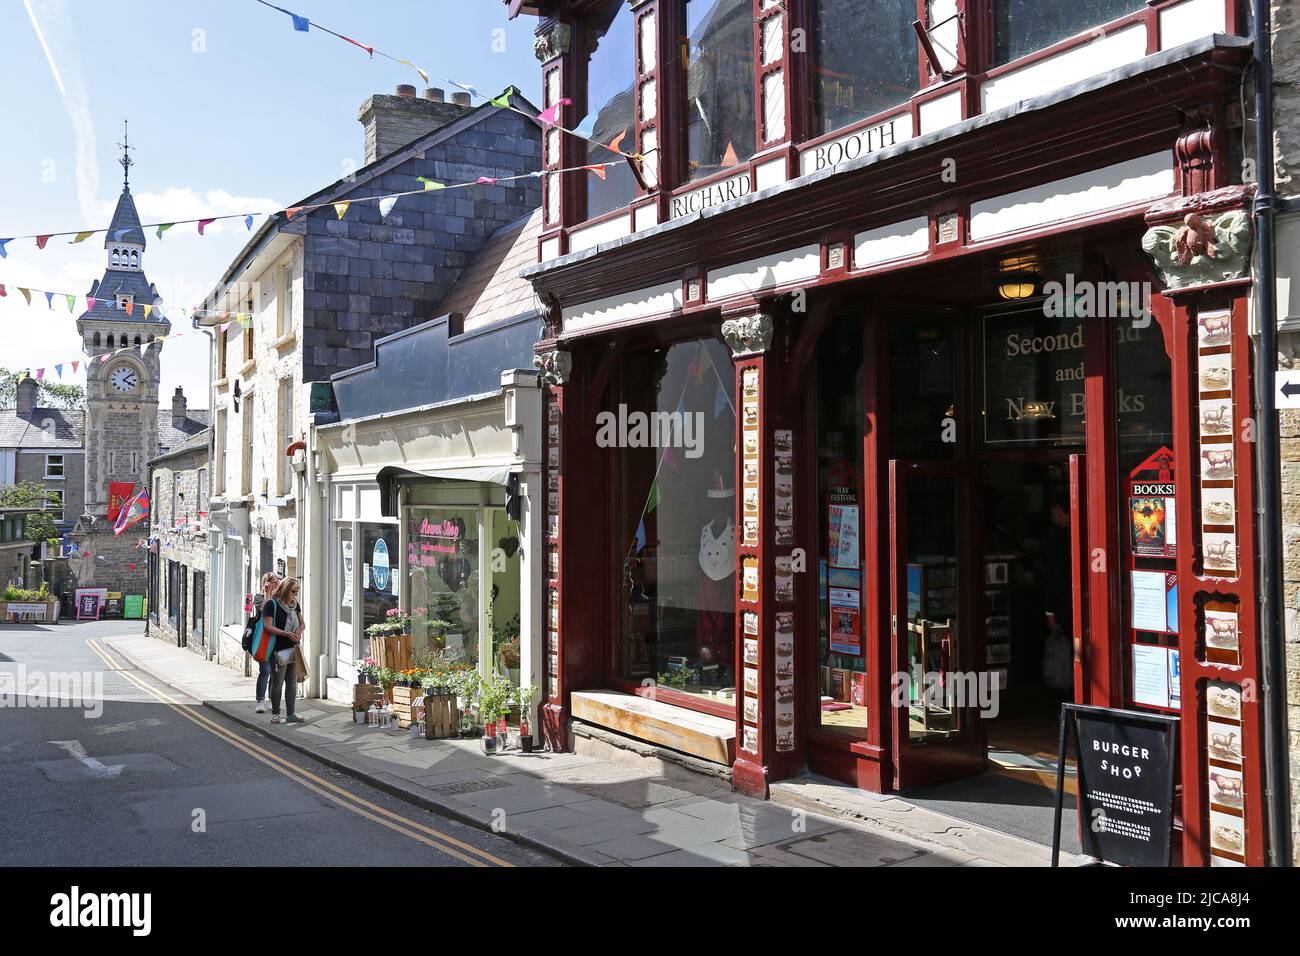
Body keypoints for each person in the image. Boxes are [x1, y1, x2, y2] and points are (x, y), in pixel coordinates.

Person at [262, 577, 305, 724]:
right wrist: (285, 633)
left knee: (292, 682)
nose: (295, 595)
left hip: (293, 647)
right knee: (278, 682)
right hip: (278, 649)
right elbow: (267, 626)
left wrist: (299, 630)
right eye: (293, 591)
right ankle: (275, 714)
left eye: (297, 592)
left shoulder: (295, 605)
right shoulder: (272, 605)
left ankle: (291, 713)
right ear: (286, 590)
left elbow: (302, 623)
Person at [253, 572, 279, 713]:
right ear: (266, 583)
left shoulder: (279, 599)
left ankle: (272, 700)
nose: (276, 585)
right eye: (274, 582)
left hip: (275, 640)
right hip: (263, 640)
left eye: (277, 582)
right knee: (265, 670)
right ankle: (259, 701)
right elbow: (264, 610)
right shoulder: (259, 598)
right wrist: (267, 593)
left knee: (275, 672)